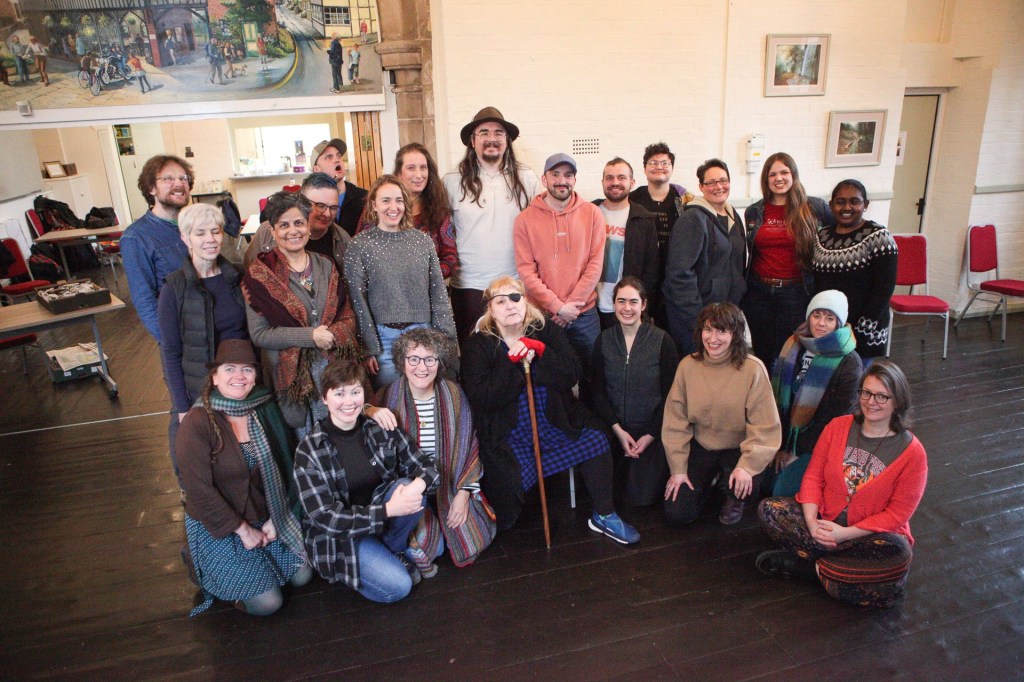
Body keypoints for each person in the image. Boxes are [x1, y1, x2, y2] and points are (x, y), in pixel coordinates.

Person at [461, 276, 640, 544]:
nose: (510, 306)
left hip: (556, 420)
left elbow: (572, 373)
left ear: (526, 302)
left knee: (597, 438)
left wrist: (541, 353)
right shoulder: (479, 345)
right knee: (509, 490)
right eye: (501, 301)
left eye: (515, 298)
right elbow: (483, 398)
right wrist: (515, 364)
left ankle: (604, 514)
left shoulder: (543, 330)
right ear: (490, 309)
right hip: (510, 433)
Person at [757, 361, 928, 608]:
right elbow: (814, 477)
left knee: (900, 553)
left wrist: (846, 533)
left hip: (866, 535)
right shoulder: (838, 427)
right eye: (866, 393)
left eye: (882, 396)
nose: (871, 402)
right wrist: (812, 522)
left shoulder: (913, 453)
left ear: (898, 401)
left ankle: (811, 566)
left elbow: (897, 514)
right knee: (769, 511)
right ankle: (837, 574)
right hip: (825, 522)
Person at [176, 339, 313, 617]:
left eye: (247, 370)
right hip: (220, 525)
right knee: (268, 604)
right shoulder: (198, 421)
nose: (239, 376)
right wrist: (242, 529)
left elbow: (288, 465)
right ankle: (210, 573)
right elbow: (199, 491)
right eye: (229, 369)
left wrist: (281, 516)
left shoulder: (262, 407)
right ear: (214, 377)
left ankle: (259, 568)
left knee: (303, 576)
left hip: (264, 514)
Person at [293, 359, 441, 602]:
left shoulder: (379, 426)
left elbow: (427, 467)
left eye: (355, 392)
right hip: (342, 537)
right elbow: (326, 519)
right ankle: (362, 565)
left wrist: (418, 485)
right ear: (325, 398)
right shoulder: (310, 450)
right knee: (400, 586)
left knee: (408, 487)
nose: (349, 401)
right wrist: (389, 510)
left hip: (382, 520)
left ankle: (390, 548)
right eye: (339, 393)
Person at [374, 327, 496, 573]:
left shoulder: (453, 393)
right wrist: (370, 409)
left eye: (430, 359)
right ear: (402, 361)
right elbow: (361, 416)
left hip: (449, 484)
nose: (422, 367)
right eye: (414, 359)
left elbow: (469, 443)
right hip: (410, 490)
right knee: (434, 548)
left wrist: (463, 494)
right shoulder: (387, 396)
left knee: (473, 535)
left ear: (440, 363)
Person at [243, 191, 360, 436]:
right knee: (305, 447)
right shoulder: (259, 275)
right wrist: (310, 337)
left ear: (308, 226)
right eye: (283, 225)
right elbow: (260, 334)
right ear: (272, 231)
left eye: (298, 223)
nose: (293, 231)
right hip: (293, 381)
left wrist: (333, 335)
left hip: (333, 375)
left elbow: (347, 315)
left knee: (342, 440)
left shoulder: (325, 264)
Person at [662, 303, 782, 526]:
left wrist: (747, 466)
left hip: (738, 448)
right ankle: (711, 483)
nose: (713, 338)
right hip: (701, 445)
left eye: (722, 331)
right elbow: (675, 423)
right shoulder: (687, 366)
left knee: (744, 487)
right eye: (708, 329)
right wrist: (678, 469)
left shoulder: (753, 369)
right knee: (678, 513)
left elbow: (765, 427)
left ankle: (732, 494)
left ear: (736, 334)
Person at [344, 175, 456, 390]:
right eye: (385, 200)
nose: (393, 207)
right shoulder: (359, 246)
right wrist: (368, 348)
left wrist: (446, 339)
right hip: (383, 339)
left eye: (398, 200)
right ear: (374, 205)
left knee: (426, 397)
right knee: (390, 400)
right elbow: (357, 300)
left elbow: (438, 294)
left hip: (424, 333)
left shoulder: (422, 241)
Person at [443, 106, 539, 344]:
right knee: (474, 356)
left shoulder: (527, 179)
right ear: (472, 141)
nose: (491, 138)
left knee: (515, 353)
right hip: (469, 287)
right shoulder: (452, 181)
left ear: (507, 140)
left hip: (514, 285)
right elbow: (443, 234)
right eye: (483, 132)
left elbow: (541, 231)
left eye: (498, 132)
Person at [158, 203, 248, 432]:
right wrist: (182, 407)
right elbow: (170, 351)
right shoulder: (174, 287)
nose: (210, 239)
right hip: (200, 390)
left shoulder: (240, 276)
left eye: (215, 231)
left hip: (242, 386)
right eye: (200, 233)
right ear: (186, 238)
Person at [591, 277, 678, 507]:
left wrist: (650, 434)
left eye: (633, 301)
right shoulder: (604, 340)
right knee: (608, 493)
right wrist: (617, 430)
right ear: (614, 304)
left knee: (640, 499)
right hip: (615, 429)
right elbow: (597, 391)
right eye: (621, 301)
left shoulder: (662, 341)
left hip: (650, 432)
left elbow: (672, 395)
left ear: (644, 305)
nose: (627, 308)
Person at [742, 152, 833, 371]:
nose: (778, 178)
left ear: (793, 174)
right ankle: (763, 399)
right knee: (762, 351)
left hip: (796, 292)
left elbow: (835, 238)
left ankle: (786, 402)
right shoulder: (754, 211)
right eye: (772, 174)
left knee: (790, 353)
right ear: (766, 179)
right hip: (759, 291)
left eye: (784, 172)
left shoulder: (814, 208)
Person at [767, 290, 862, 497]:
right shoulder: (794, 344)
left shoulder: (849, 362)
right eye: (816, 315)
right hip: (784, 435)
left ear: (839, 323)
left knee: (780, 491)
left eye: (829, 318)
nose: (821, 323)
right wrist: (779, 444)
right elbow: (777, 400)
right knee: (761, 485)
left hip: (818, 440)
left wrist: (796, 452)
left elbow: (834, 419)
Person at [514, 152, 605, 366]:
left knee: (593, 375)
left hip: (584, 315)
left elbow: (595, 265)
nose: (562, 181)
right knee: (547, 377)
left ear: (574, 179)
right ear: (544, 179)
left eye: (568, 175)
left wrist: (569, 308)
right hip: (543, 315)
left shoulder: (593, 214)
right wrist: (557, 307)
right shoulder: (524, 220)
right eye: (555, 174)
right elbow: (526, 272)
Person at [663, 158, 747, 355]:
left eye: (723, 180)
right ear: (701, 186)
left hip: (726, 316)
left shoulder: (732, 215)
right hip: (699, 319)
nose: (718, 187)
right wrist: (699, 321)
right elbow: (679, 274)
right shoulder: (692, 219)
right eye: (711, 182)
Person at [813, 180, 898, 359]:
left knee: (857, 383)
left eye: (854, 201)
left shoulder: (879, 236)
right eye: (840, 201)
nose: (847, 207)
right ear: (831, 205)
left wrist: (861, 331)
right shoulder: (822, 236)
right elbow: (817, 283)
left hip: (864, 330)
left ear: (865, 205)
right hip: (829, 328)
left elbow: (884, 288)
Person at [123, 155, 193, 342]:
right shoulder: (136, 237)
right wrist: (172, 342)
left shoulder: (194, 225)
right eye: (168, 178)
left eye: (183, 178)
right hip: (180, 334)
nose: (178, 183)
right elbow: (144, 300)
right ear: (151, 188)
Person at [592, 157, 659, 329]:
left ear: (632, 182)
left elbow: (651, 270)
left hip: (626, 310)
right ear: (602, 182)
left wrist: (642, 309)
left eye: (621, 177)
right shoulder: (588, 213)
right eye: (609, 178)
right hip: (591, 309)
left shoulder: (644, 219)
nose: (615, 182)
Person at [245, 172, 351, 273]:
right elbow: (248, 271)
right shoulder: (266, 232)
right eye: (320, 206)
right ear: (303, 202)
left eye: (333, 207)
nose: (327, 214)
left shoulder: (342, 240)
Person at [388, 142, 459, 279]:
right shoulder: (381, 208)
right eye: (411, 168)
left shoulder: (439, 209)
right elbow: (363, 251)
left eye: (423, 168)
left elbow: (450, 257)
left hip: (429, 292)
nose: (419, 175)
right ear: (398, 174)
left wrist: (425, 276)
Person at [310, 138, 367, 237]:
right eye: (329, 157)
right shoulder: (308, 202)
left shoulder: (365, 197)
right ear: (316, 169)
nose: (337, 160)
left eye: (338, 156)